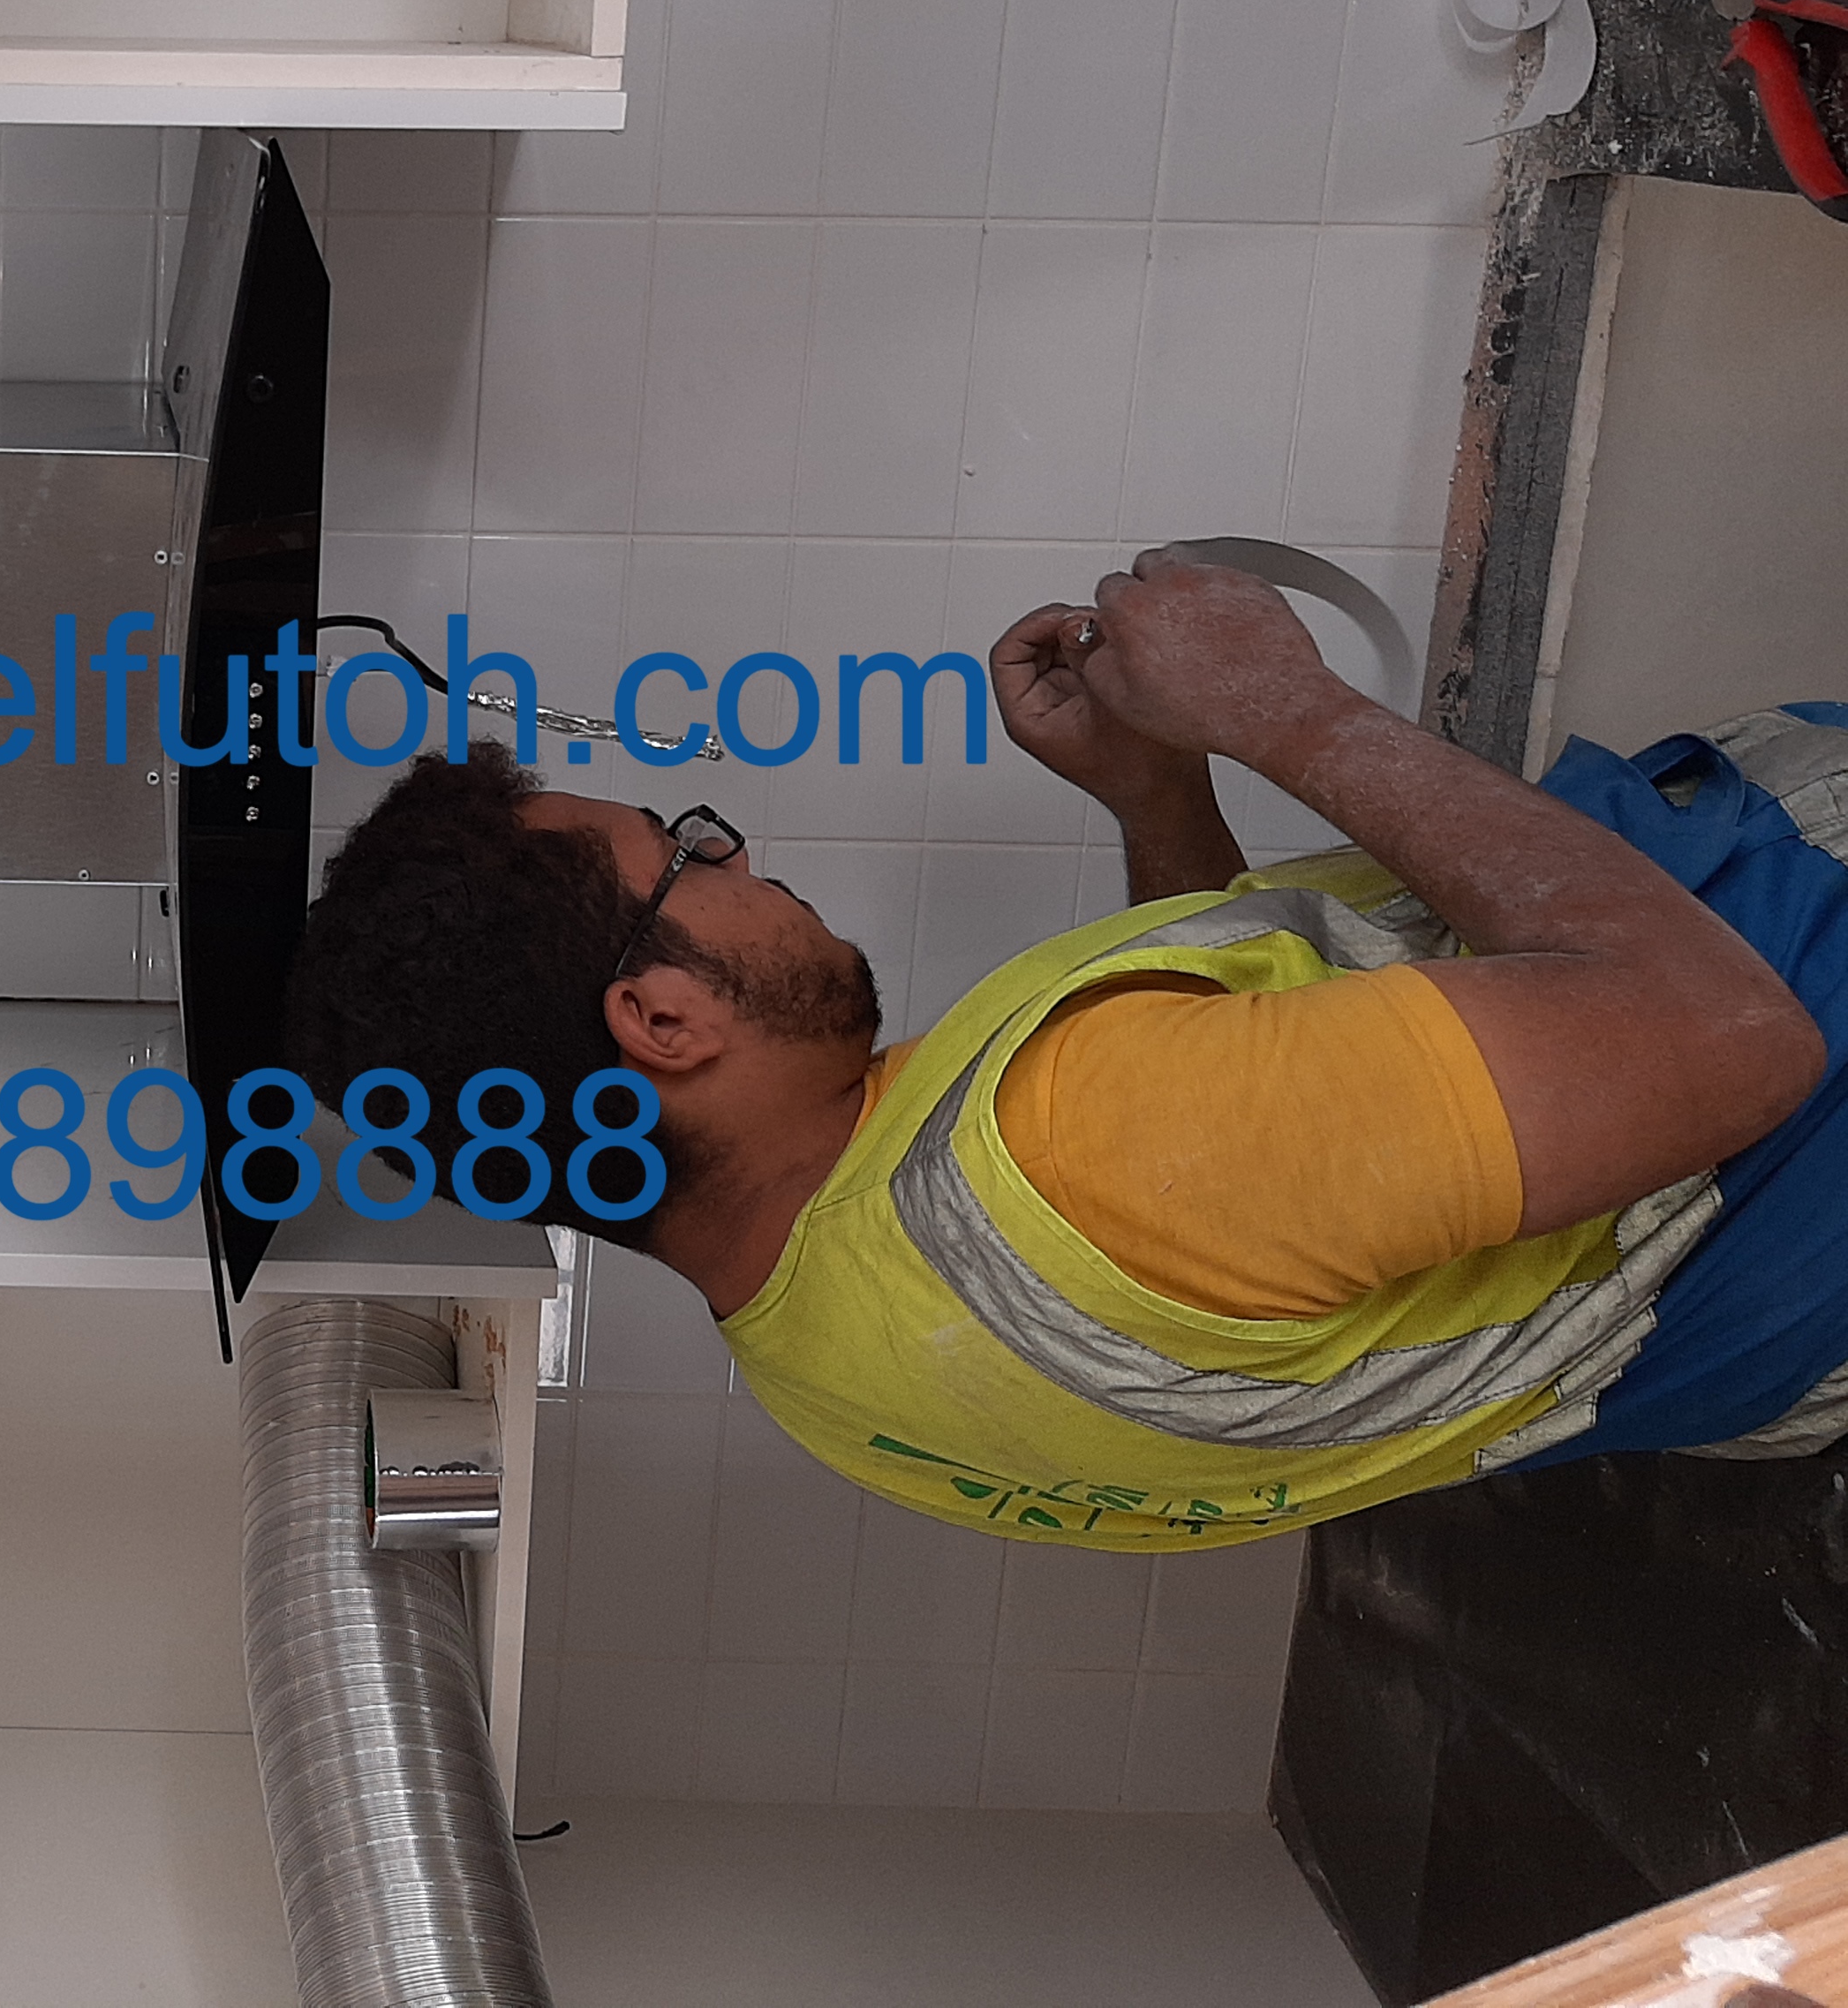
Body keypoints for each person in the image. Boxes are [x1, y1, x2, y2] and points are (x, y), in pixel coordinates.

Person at [283, 550, 1848, 1547]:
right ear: (663, 1020)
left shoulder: (826, 1371)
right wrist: (1283, 709)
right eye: (690, 854)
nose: (743, 856)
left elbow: (1268, 1212)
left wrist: (1157, 798)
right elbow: (1727, 1043)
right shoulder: (1085, 1147)